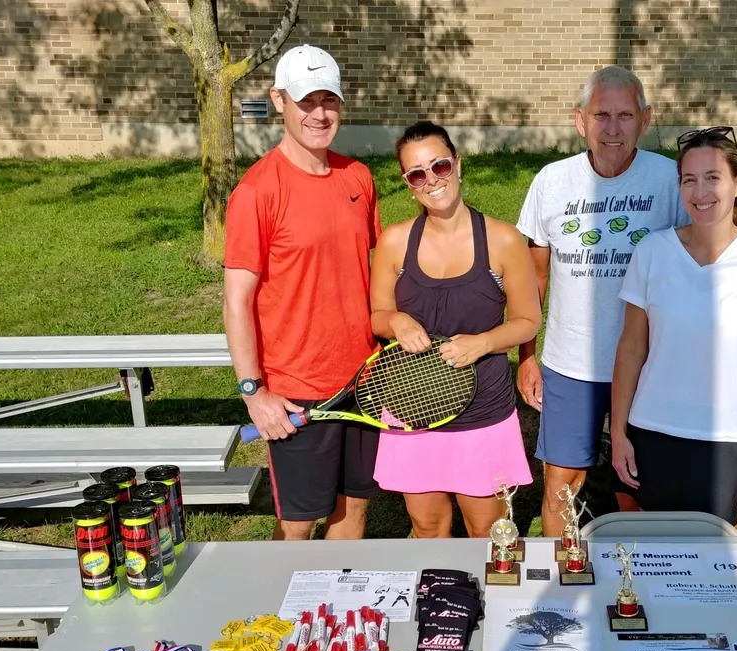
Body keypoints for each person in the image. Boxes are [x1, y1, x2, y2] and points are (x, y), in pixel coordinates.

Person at [515, 66, 689, 535]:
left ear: (645, 120)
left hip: (647, 363)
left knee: (634, 485)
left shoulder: (670, 182)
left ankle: (633, 590)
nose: (612, 129)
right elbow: (533, 280)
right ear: (580, 121)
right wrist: (527, 356)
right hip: (569, 364)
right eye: (601, 115)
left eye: (625, 115)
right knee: (561, 483)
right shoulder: (551, 182)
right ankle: (557, 585)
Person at [222, 45, 381, 541]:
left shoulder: (358, 177)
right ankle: (284, 618)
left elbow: (369, 273)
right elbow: (236, 302)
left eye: (328, 100)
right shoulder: (256, 191)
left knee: (353, 511)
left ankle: (334, 612)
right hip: (296, 392)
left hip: (363, 382)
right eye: (305, 101)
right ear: (278, 101)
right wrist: (254, 393)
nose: (319, 113)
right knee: (297, 527)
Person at [610, 127, 737, 529]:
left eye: (713, 177)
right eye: (689, 180)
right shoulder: (652, 252)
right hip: (653, 433)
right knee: (649, 564)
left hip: (732, 439)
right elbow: (630, 351)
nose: (700, 192)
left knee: (717, 569)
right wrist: (620, 433)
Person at [369, 121, 540, 538]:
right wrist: (396, 320)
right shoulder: (394, 242)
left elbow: (528, 320)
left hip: (482, 409)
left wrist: (483, 343)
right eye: (417, 174)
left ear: (458, 166)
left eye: (439, 166)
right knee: (428, 525)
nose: (432, 181)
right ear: (407, 183)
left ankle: (492, 605)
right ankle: (438, 602)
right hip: (413, 408)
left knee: (487, 529)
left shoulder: (503, 240)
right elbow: (376, 314)